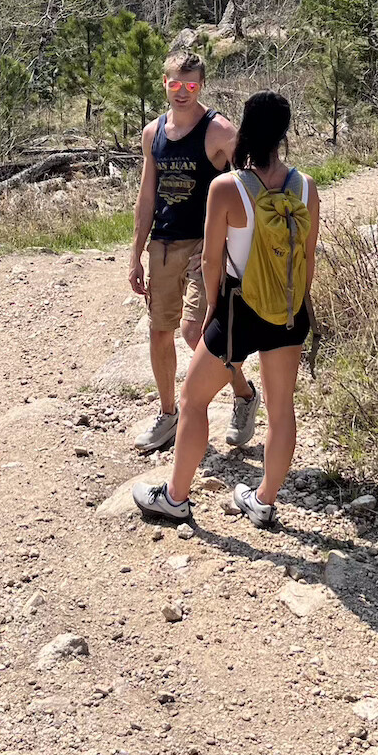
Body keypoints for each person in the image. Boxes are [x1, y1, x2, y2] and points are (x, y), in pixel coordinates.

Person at [133, 90, 320, 528]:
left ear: (246, 130)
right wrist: (294, 302)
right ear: (283, 133)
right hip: (290, 310)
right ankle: (264, 500)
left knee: (192, 400)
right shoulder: (305, 186)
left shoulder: (227, 187)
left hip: (239, 308)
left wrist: (213, 306)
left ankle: (176, 497)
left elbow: (211, 260)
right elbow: (308, 258)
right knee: (282, 410)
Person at [128, 52, 261, 454]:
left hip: (206, 246)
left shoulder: (219, 131)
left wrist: (230, 237)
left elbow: (249, 184)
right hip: (164, 244)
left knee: (196, 332)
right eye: (175, 83)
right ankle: (168, 415)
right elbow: (147, 194)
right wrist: (135, 253)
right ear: (164, 82)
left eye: (191, 85)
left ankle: (243, 394)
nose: (182, 92)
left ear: (200, 85)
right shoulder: (154, 133)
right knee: (159, 330)